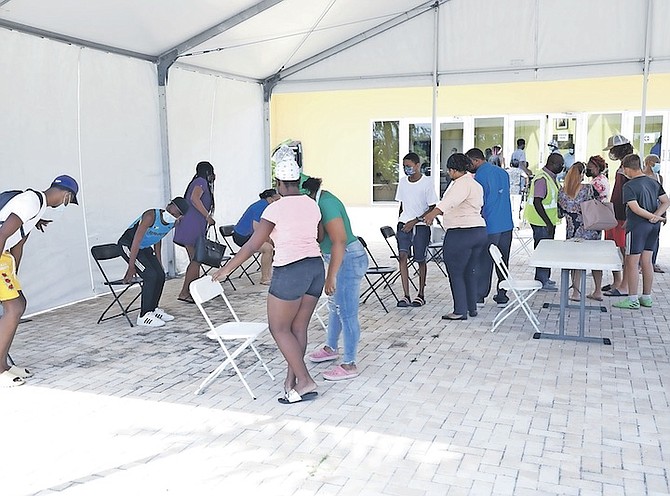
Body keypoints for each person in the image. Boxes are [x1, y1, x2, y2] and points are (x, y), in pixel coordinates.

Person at [213, 149, 324, 404]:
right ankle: (292, 381)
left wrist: (225, 270)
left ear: (278, 183)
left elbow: (253, 245)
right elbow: (318, 237)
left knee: (279, 328)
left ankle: (305, 380)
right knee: (298, 327)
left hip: (290, 271)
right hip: (315, 268)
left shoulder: (274, 209)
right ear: (297, 180)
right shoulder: (312, 204)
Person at [0, 175, 79, 387]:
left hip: (5, 257)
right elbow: (2, 234)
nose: (66, 204)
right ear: (67, 195)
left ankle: (4, 365)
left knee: (19, 304)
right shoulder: (31, 202)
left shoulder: (37, 208)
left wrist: (13, 273)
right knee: (14, 308)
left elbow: (18, 243)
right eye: (70, 201)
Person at [303, 178, 368, 381]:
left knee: (347, 311)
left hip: (346, 257)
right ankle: (331, 347)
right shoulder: (316, 203)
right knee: (335, 307)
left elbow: (339, 241)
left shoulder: (326, 203)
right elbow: (320, 237)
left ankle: (349, 364)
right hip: (337, 257)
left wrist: (330, 277)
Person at [424, 153, 487, 320]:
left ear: (452, 170)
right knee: (469, 271)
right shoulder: (475, 184)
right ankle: (471, 307)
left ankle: (460, 310)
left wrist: (432, 214)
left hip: (461, 233)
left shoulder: (460, 184)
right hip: (479, 231)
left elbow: (449, 202)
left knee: (456, 271)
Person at [119, 197, 189, 327]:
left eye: (177, 215)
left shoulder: (173, 223)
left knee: (160, 274)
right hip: (128, 245)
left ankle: (153, 309)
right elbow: (136, 241)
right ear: (169, 204)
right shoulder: (150, 216)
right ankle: (144, 315)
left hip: (144, 247)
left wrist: (158, 261)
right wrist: (131, 266)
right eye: (173, 212)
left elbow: (158, 238)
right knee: (150, 275)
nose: (173, 215)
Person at [612, 154, 669, 309]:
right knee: (647, 261)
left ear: (627, 169)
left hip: (637, 227)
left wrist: (652, 217)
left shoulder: (629, 186)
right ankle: (646, 296)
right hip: (653, 228)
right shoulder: (654, 182)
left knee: (631, 262)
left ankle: (632, 299)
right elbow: (666, 201)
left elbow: (635, 208)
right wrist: (657, 216)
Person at [465, 148, 514, 308]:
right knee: (503, 261)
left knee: (484, 261)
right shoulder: (503, 173)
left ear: (476, 161)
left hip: (489, 225)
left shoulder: (479, 177)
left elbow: (480, 201)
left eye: (469, 163)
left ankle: (480, 296)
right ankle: (502, 294)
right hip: (506, 223)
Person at [394, 152, 438, 308]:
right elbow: (402, 204)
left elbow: (433, 207)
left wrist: (416, 220)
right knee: (402, 256)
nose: (407, 169)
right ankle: (405, 294)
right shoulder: (403, 182)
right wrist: (400, 221)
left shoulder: (427, 183)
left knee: (420, 259)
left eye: (410, 166)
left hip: (420, 225)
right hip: (403, 223)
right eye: (405, 166)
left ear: (418, 165)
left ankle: (421, 294)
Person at [558, 162, 602, 301]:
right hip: (591, 229)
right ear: (582, 175)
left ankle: (576, 292)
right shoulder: (588, 189)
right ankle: (598, 290)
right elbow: (597, 204)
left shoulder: (562, 192)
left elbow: (560, 213)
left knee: (574, 261)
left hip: (572, 230)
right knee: (596, 261)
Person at [174, 161, 216, 303]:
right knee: (196, 260)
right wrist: (207, 216)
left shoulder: (197, 181)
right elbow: (194, 199)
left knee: (195, 260)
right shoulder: (201, 181)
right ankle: (185, 292)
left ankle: (191, 292)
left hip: (192, 225)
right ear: (208, 172)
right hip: (191, 225)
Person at [525, 153, 565, 290]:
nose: (562, 167)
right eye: (561, 165)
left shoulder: (551, 177)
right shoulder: (542, 179)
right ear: (553, 164)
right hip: (541, 222)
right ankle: (542, 280)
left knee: (547, 251)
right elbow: (538, 202)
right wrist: (548, 222)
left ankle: (545, 278)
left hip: (548, 221)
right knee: (542, 251)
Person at [603, 135, 634, 297]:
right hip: (617, 212)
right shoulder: (624, 164)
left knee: (625, 250)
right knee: (616, 248)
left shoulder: (629, 165)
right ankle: (618, 282)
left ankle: (625, 285)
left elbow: (630, 191)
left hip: (623, 214)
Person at [232, 188, 281, 285]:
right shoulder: (261, 206)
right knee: (268, 248)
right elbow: (257, 229)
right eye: (277, 200)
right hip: (242, 236)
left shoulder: (265, 205)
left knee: (275, 245)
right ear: (271, 199)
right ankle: (265, 278)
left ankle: (270, 274)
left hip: (249, 235)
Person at [584, 155, 611, 299]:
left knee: (592, 256)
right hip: (599, 219)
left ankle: (596, 291)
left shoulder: (596, 182)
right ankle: (597, 290)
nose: (588, 168)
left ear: (597, 167)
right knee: (596, 255)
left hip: (592, 219)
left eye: (590, 166)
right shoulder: (603, 179)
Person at [643, 154, 664, 273]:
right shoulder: (641, 176)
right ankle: (642, 263)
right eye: (656, 162)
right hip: (644, 209)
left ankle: (652, 262)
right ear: (649, 162)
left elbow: (663, 195)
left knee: (655, 237)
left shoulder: (658, 177)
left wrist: (662, 213)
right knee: (643, 235)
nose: (658, 164)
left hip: (656, 209)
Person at [508, 138, 532, 225]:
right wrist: (527, 172)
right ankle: (517, 219)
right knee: (518, 201)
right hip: (519, 179)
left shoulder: (514, 153)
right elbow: (522, 164)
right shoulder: (522, 153)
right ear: (523, 145)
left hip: (511, 186)